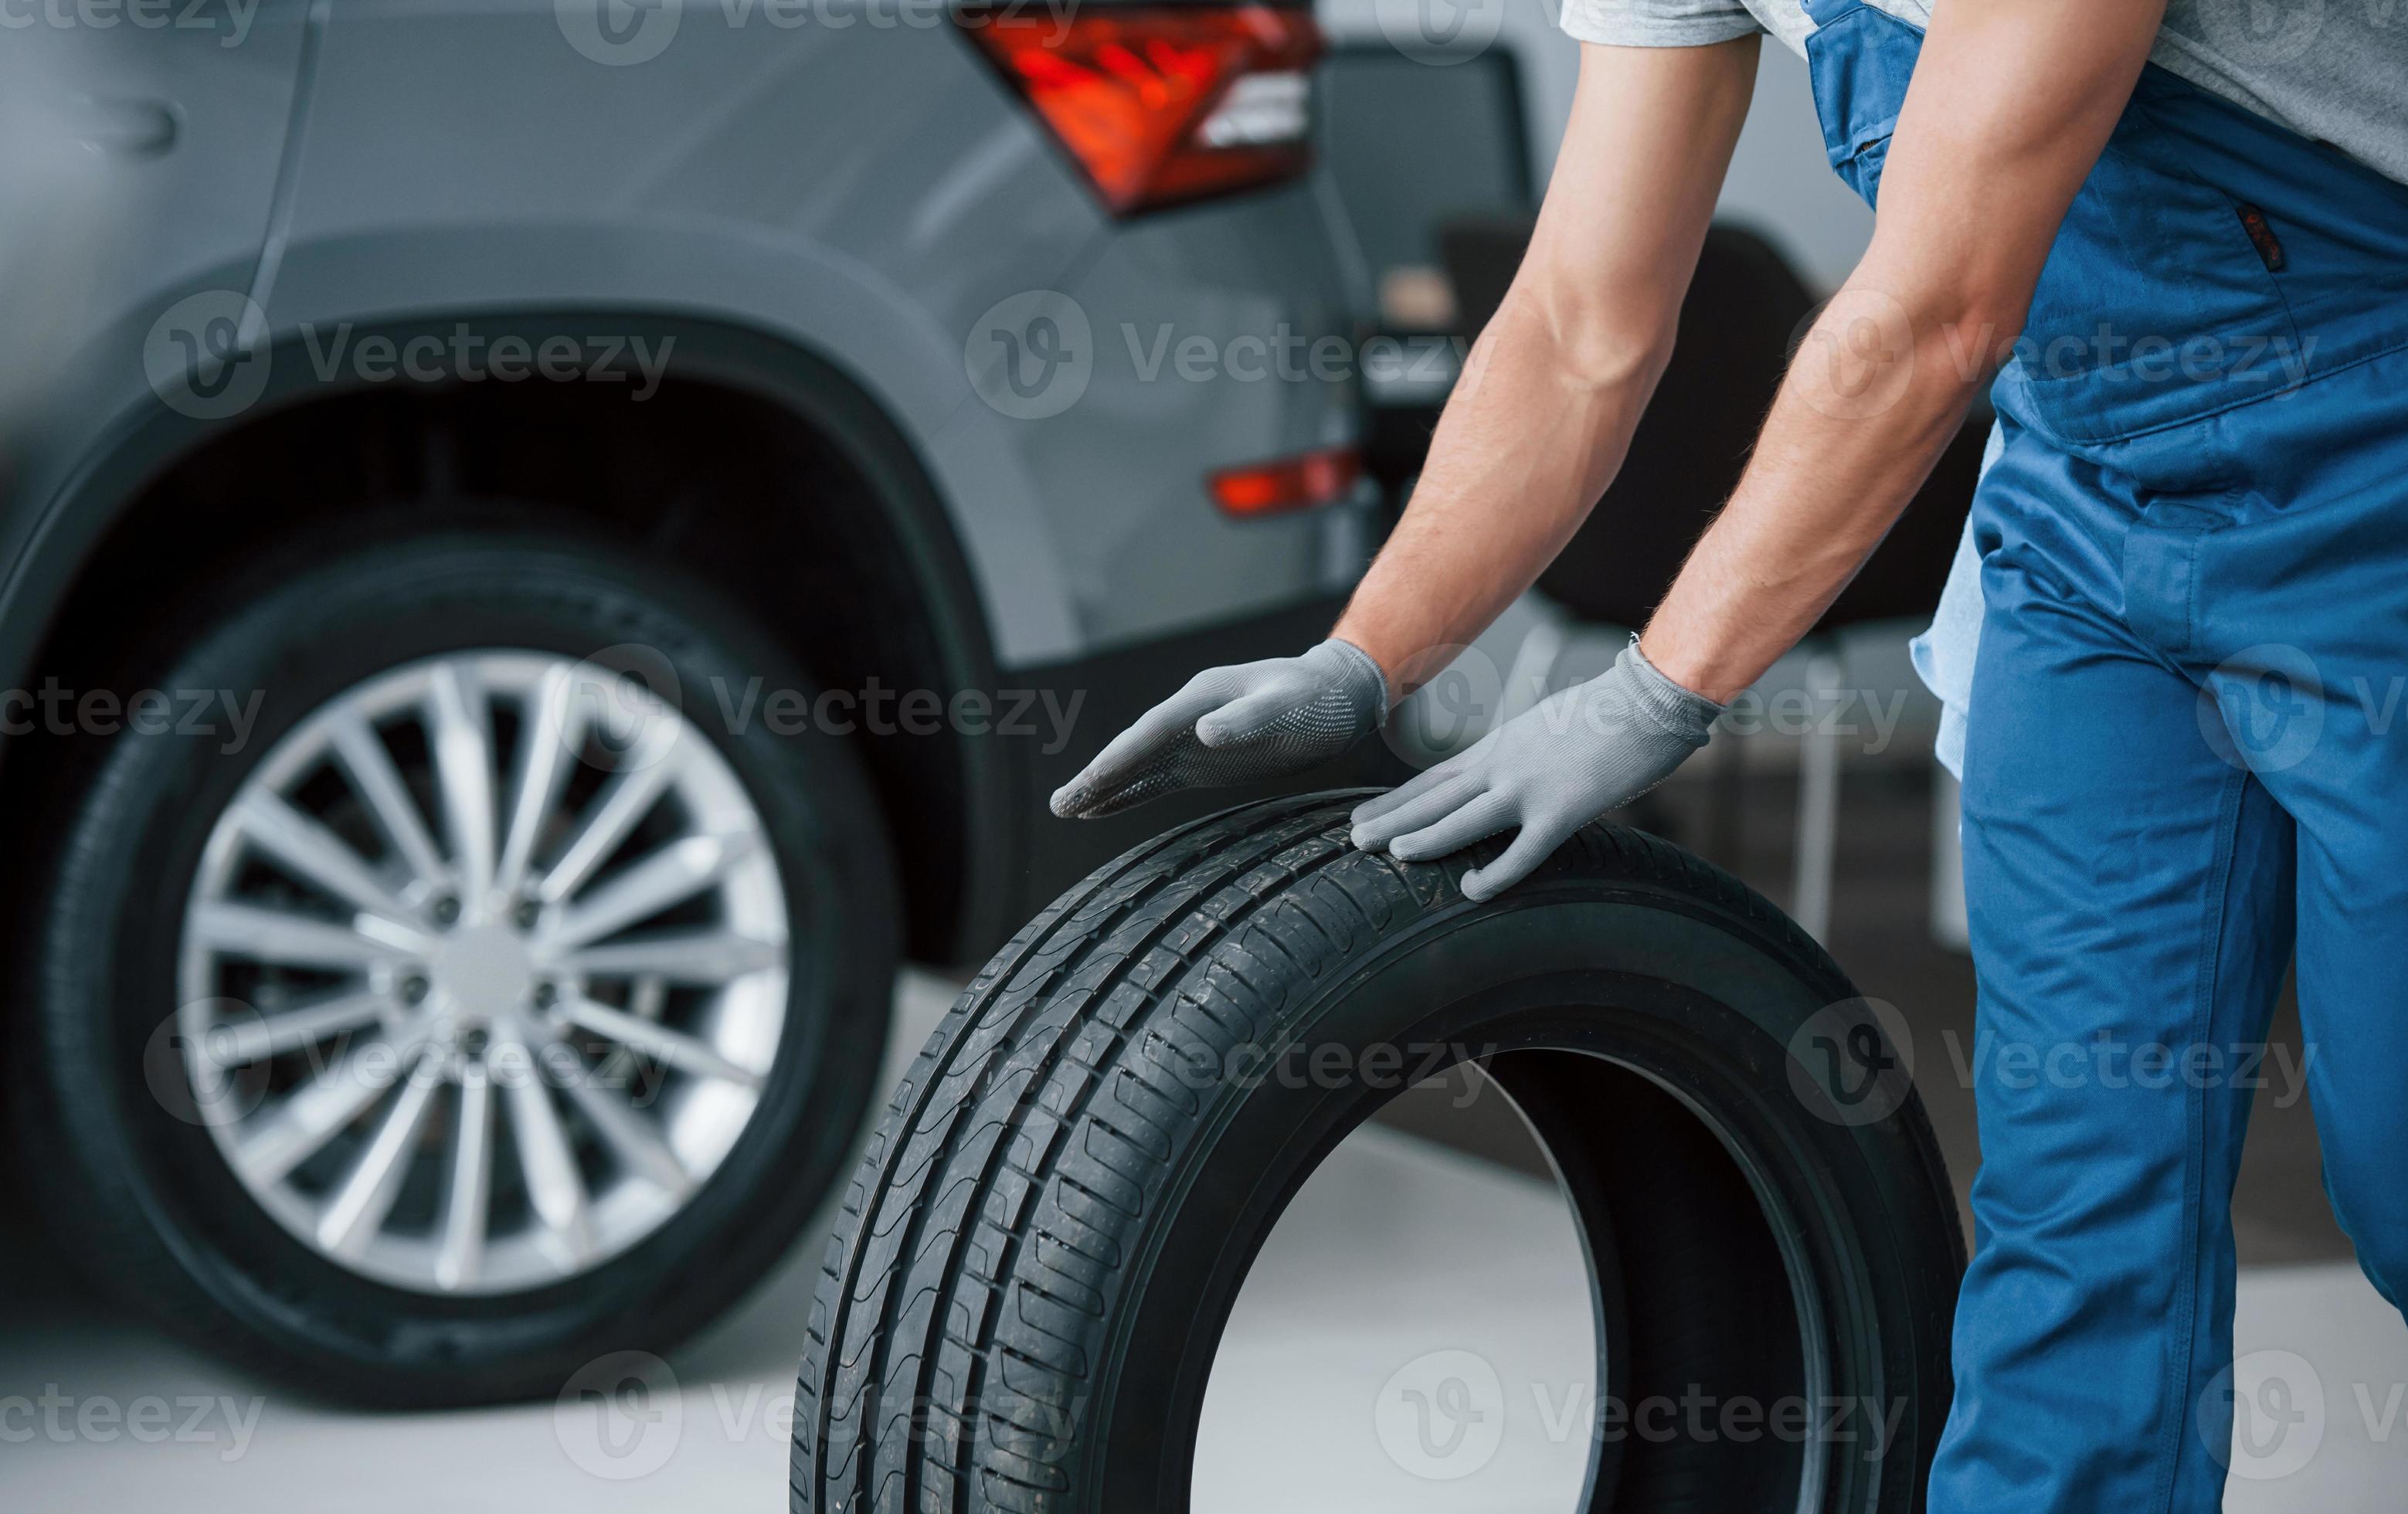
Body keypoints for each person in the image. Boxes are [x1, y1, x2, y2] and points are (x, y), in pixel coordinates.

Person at [1049, 0, 2408, 1506]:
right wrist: (1368, 652)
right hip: (2086, 521)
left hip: (2381, 450)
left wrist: (1654, 691)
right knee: (2079, 1220)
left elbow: (1935, 313)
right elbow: (1581, 315)